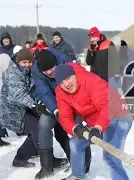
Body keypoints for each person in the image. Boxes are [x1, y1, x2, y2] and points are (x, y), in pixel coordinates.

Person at [54, 63, 133, 180]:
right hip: (96, 121)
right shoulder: (61, 93)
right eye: (62, 82)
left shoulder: (90, 81)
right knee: (76, 143)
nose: (66, 84)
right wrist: (75, 128)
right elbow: (64, 116)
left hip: (117, 116)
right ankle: (78, 176)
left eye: (67, 78)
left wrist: (98, 127)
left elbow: (105, 106)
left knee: (111, 157)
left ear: (74, 75)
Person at [31, 49, 91, 179]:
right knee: (43, 124)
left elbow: (77, 85)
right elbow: (44, 92)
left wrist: (70, 108)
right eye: (45, 71)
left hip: (71, 100)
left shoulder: (66, 63)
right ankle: (47, 166)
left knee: (77, 128)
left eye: (51, 69)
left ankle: (82, 164)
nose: (49, 73)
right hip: (53, 102)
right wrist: (56, 110)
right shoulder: (36, 70)